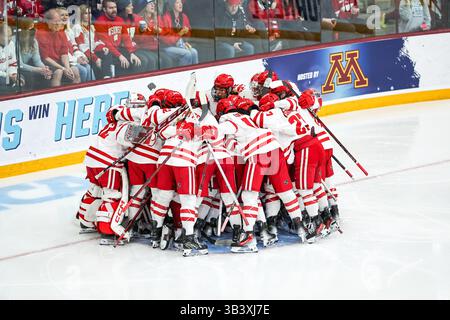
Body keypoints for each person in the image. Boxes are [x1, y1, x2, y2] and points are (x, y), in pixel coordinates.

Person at [94, 0, 143, 77]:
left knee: (135, 61)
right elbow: (107, 43)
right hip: (106, 52)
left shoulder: (119, 20)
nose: (114, 10)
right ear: (104, 9)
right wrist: (120, 56)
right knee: (122, 64)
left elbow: (126, 38)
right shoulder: (100, 22)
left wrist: (131, 53)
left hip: (118, 49)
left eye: (115, 7)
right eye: (110, 8)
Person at [35, 9, 81, 86]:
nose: (57, 23)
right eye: (55, 21)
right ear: (47, 21)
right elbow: (45, 58)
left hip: (59, 62)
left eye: (59, 21)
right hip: (47, 64)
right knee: (59, 72)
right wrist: (63, 68)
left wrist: (67, 67)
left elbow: (64, 53)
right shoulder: (41, 33)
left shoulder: (61, 31)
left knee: (75, 70)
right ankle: (55, 96)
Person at [72, 4, 114, 79]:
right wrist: (96, 58)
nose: (89, 15)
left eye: (90, 13)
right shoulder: (77, 27)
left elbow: (96, 41)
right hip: (85, 55)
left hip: (93, 51)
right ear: (81, 15)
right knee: (97, 63)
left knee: (107, 53)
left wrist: (102, 47)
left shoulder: (91, 26)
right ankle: (105, 77)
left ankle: (107, 77)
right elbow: (82, 47)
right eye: (86, 13)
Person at [116, 0, 157, 72]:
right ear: (123, 8)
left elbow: (140, 39)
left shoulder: (135, 18)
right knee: (144, 60)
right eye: (129, 6)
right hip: (123, 49)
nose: (132, 7)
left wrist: (142, 32)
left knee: (152, 59)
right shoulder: (118, 21)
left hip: (135, 48)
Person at [57, 7, 95, 82]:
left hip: (73, 59)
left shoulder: (69, 31)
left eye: (66, 15)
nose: (65, 17)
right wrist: (76, 60)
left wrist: (81, 56)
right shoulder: (56, 32)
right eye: (62, 15)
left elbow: (74, 46)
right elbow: (62, 53)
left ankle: (92, 90)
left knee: (88, 67)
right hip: (63, 61)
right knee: (83, 70)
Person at [16, 17, 54, 90]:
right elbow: (19, 64)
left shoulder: (34, 41)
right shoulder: (15, 41)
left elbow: (37, 61)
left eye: (34, 27)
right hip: (16, 68)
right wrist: (38, 70)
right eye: (31, 28)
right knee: (30, 75)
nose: (35, 30)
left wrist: (44, 68)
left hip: (27, 66)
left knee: (47, 73)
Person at [159, 0, 199, 66]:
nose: (180, 4)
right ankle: (184, 75)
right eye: (177, 2)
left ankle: (194, 74)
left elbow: (188, 34)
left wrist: (185, 41)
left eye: (181, 2)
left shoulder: (184, 16)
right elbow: (167, 40)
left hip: (179, 45)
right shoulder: (165, 17)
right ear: (172, 5)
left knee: (194, 52)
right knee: (187, 54)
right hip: (167, 46)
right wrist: (180, 33)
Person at [0, 23, 24, 94]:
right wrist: (8, 76)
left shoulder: (11, 44)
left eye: (10, 36)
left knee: (21, 78)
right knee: (4, 81)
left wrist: (14, 74)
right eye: (7, 36)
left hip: (7, 74)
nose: (10, 38)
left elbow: (12, 63)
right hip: (2, 75)